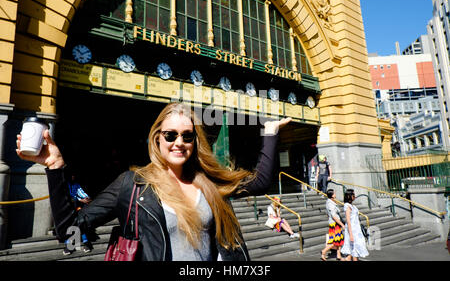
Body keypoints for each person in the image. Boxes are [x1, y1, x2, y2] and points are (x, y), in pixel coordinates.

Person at [16, 102, 291, 261]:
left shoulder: (208, 183)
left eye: (187, 136)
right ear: (157, 138)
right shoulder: (132, 184)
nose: (179, 143)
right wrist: (55, 166)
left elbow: (261, 182)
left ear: (195, 142)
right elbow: (70, 231)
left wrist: (269, 133)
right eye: (171, 135)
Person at [63, 175, 93, 255]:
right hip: (66, 209)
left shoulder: (76, 184)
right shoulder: (64, 184)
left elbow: (81, 192)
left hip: (76, 207)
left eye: (74, 175)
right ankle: (68, 245)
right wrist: (80, 199)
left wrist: (87, 198)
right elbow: (68, 196)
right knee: (68, 226)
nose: (73, 176)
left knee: (81, 223)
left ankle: (86, 243)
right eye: (71, 175)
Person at [341, 189, 369, 261]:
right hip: (352, 230)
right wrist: (350, 235)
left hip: (357, 230)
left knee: (355, 248)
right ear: (350, 196)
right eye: (353, 195)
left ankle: (347, 259)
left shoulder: (352, 206)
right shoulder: (347, 206)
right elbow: (348, 221)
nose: (355, 196)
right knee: (354, 249)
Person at [320, 189, 344, 261]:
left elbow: (328, 214)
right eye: (334, 193)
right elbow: (334, 216)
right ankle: (324, 251)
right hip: (334, 224)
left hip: (335, 223)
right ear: (332, 195)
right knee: (335, 240)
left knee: (339, 239)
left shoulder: (330, 202)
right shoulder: (330, 204)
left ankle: (338, 254)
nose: (335, 194)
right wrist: (342, 224)